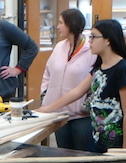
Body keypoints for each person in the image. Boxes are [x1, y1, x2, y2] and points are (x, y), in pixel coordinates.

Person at [37, 19, 126, 153]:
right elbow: (77, 91)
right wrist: (47, 108)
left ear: (108, 40)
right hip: (99, 138)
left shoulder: (122, 69)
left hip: (117, 142)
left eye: (94, 37)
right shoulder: (99, 67)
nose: (89, 41)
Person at [40, 8, 97, 151]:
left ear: (71, 25)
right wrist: (45, 94)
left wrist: (87, 104)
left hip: (81, 117)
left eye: (61, 23)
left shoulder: (91, 50)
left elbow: (96, 81)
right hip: (59, 113)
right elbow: (48, 72)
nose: (58, 26)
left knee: (82, 157)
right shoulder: (60, 47)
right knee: (63, 155)